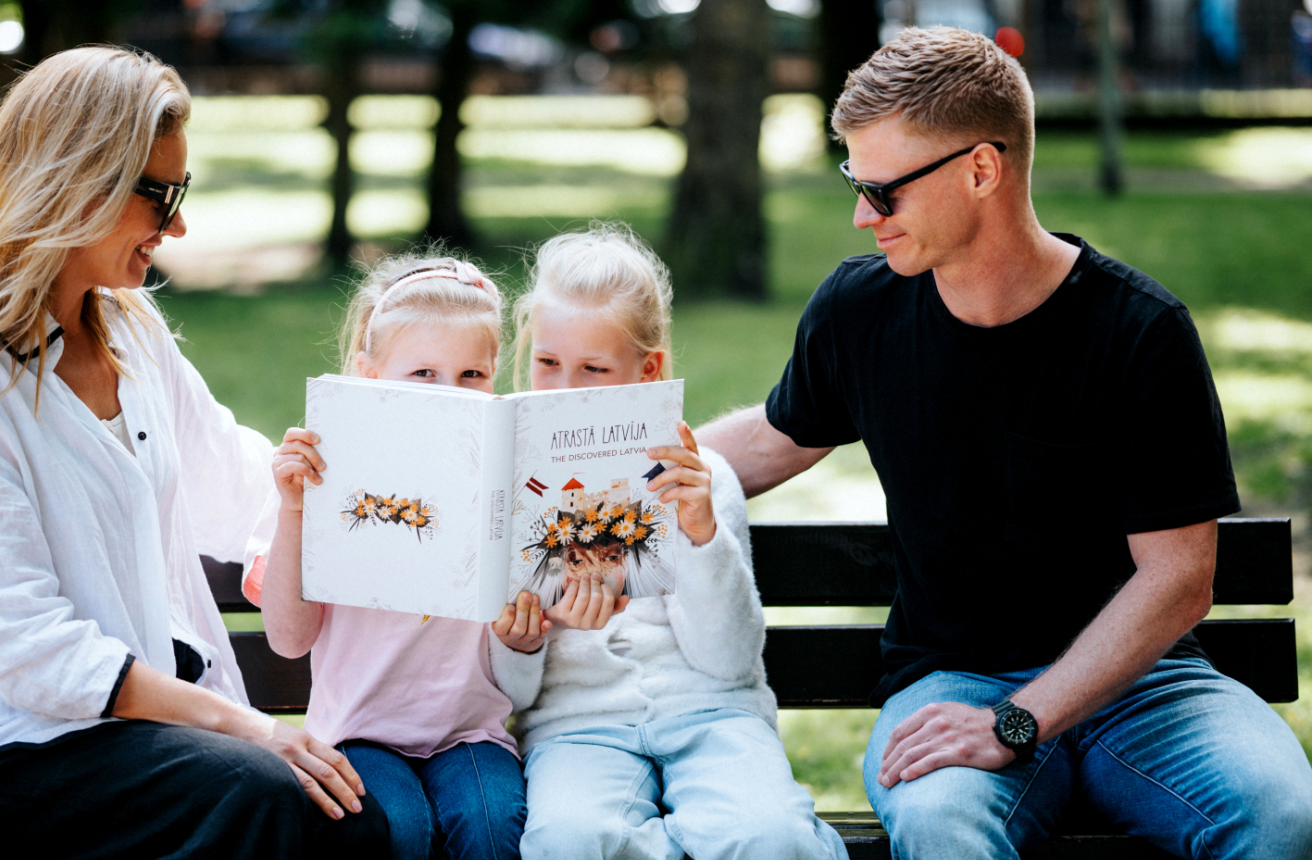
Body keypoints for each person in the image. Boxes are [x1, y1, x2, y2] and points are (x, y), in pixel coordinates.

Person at [699, 27, 1312, 860]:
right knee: (944, 824)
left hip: (1145, 688)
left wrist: (1022, 721)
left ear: (981, 171)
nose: (860, 214)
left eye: (884, 192)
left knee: (1283, 816)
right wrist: (598, 468)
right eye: (856, 183)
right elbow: (777, 436)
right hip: (950, 681)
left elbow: (1178, 579)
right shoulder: (859, 310)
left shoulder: (1139, 332)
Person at [0, 47, 388, 860]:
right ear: (78, 180)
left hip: (139, 745)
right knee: (268, 800)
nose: (177, 226)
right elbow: (31, 653)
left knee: (349, 817)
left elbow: (237, 485)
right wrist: (249, 726)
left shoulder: (131, 335)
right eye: (161, 195)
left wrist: (412, 490)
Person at [489, 224, 848, 860]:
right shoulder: (511, 487)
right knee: (568, 840)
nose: (566, 389)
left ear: (647, 369)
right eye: (548, 363)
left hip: (714, 715)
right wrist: (523, 638)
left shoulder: (704, 479)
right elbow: (514, 696)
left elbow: (729, 661)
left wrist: (701, 535)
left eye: (594, 369)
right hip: (578, 728)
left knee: (770, 836)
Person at [244, 255, 526, 860]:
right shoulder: (317, 478)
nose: (449, 393)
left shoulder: (505, 479)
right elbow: (290, 640)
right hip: (355, 736)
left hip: (470, 734)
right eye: (423, 372)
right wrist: (295, 511)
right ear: (368, 375)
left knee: (492, 828)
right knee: (399, 831)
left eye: (472, 374)